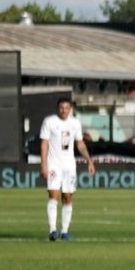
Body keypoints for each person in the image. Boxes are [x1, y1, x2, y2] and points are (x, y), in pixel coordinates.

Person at [39, 98, 95, 241]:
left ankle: (64, 231)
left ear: (70, 109)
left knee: (67, 197)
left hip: (69, 166)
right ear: (58, 108)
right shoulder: (49, 121)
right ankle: (52, 230)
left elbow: (80, 143)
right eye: (61, 108)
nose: (64, 110)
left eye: (66, 108)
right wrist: (43, 164)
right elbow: (44, 143)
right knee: (53, 194)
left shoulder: (75, 123)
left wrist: (89, 161)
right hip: (53, 165)